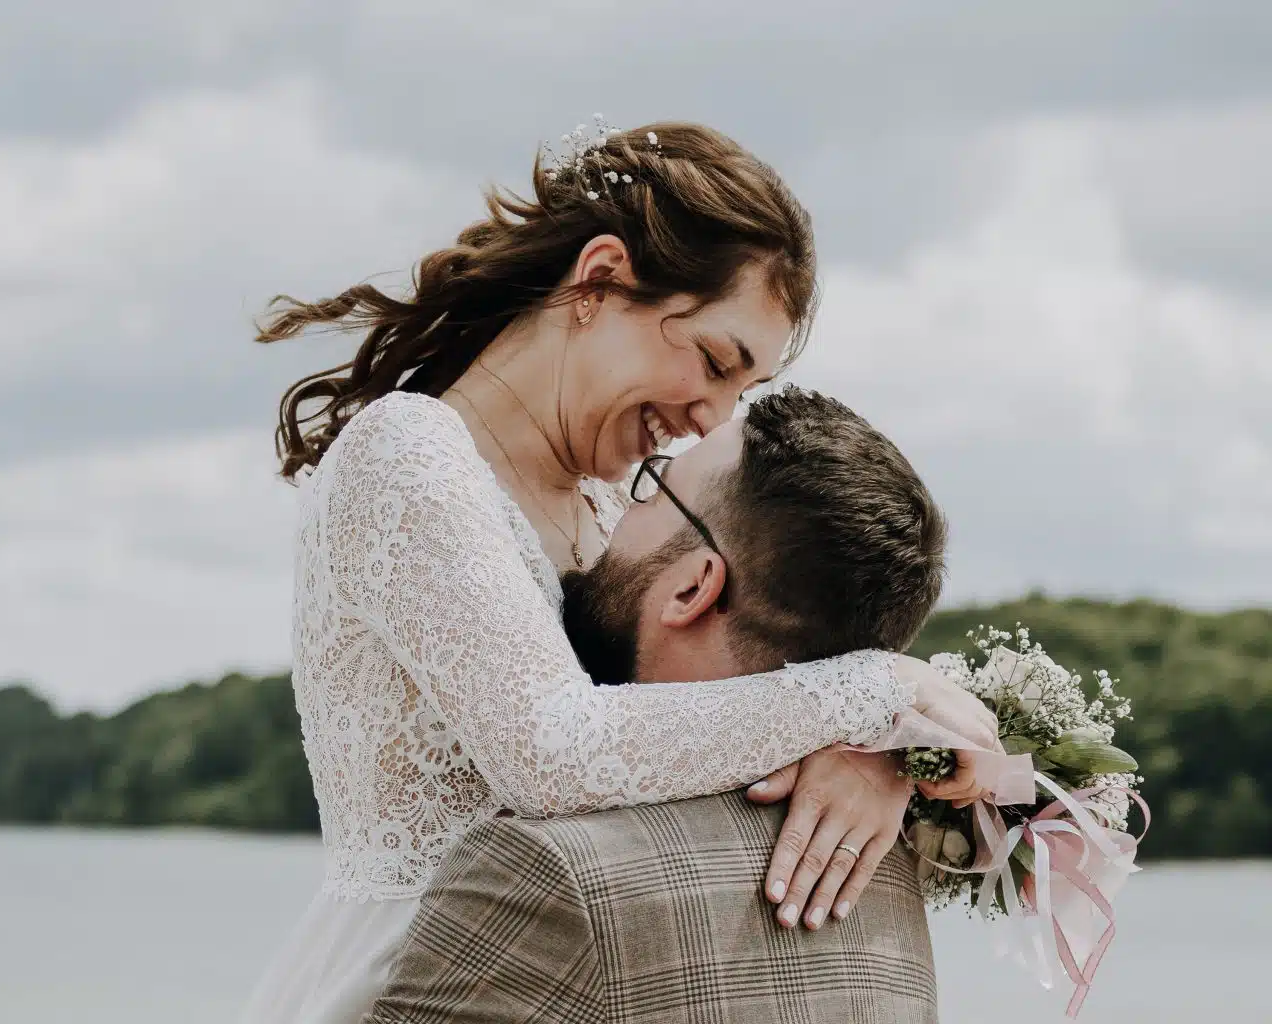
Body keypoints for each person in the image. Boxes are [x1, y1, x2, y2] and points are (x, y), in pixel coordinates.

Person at [246, 119, 992, 1023]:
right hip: (415, 976)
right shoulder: (408, 455)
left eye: (742, 392)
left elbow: (692, 714)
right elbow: (554, 753)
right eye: (714, 361)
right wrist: (870, 692)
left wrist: (874, 761)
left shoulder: (615, 506)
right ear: (598, 281)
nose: (713, 415)